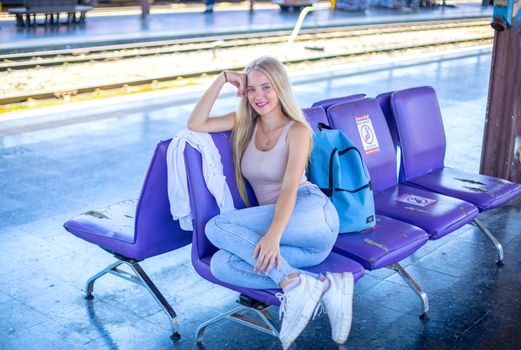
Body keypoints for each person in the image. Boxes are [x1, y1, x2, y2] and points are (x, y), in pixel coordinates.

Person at [187, 56, 354, 349]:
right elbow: (196, 123)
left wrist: (273, 236)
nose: (258, 96)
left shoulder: (298, 131)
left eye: (266, 87)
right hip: (300, 247)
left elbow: (290, 188)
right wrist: (223, 77)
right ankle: (313, 283)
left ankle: (298, 285)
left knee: (215, 227)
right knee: (222, 264)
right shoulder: (246, 123)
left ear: (280, 88)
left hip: (312, 215)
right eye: (251, 89)